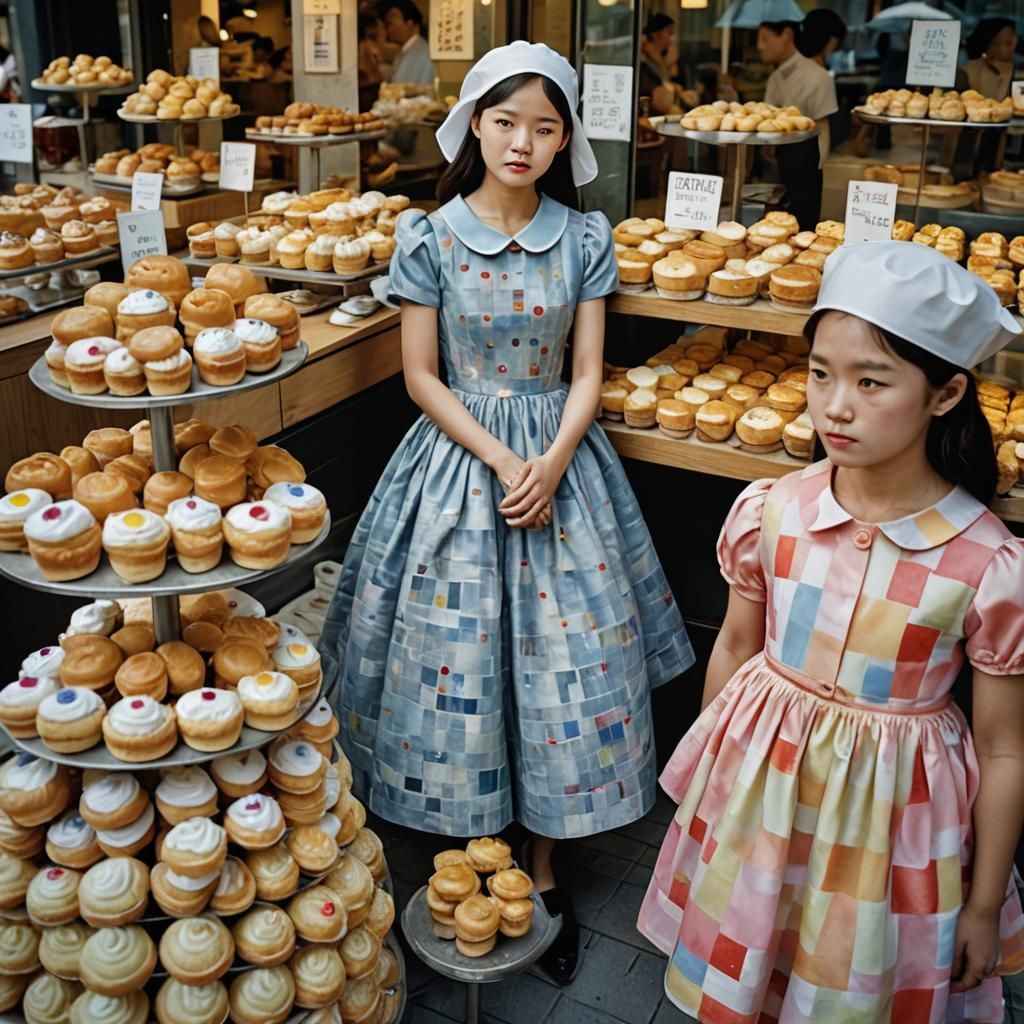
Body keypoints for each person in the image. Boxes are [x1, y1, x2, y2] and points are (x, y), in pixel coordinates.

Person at [321, 40, 694, 985]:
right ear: (474, 128)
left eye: (544, 126)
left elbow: (587, 371)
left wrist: (553, 460)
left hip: (563, 464)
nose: (522, 142)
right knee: (458, 660)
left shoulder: (585, 236)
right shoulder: (429, 237)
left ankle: (543, 865)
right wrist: (501, 458)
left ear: (565, 139)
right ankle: (470, 855)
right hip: (458, 466)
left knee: (568, 668)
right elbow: (420, 375)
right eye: (505, 122)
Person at [638, 241, 1024, 1022]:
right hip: (759, 805)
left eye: (870, 381)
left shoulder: (986, 562)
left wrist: (983, 906)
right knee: (752, 961)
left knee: (848, 986)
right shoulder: (774, 511)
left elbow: (1003, 748)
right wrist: (709, 792)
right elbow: (737, 647)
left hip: (890, 835)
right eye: (820, 373)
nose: (834, 406)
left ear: (946, 393)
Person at [758, 19, 838, 229]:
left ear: (786, 35)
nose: (759, 46)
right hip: (777, 162)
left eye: (765, 39)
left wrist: (816, 170)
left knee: (803, 229)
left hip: (806, 163)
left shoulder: (818, 77)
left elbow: (823, 128)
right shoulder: (775, 77)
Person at [380, 0, 435, 86]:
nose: (387, 29)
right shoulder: (409, 50)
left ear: (409, 23)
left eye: (389, 24)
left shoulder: (421, 52)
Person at [963, 18, 1017, 100]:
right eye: (1008, 43)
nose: (1014, 44)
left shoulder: (1018, 65)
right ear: (988, 47)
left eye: (1014, 39)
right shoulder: (972, 70)